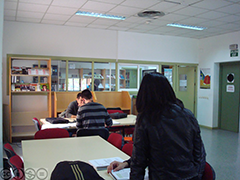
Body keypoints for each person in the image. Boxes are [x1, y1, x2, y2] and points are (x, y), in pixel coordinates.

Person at [107, 72, 206, 180]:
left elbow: (139, 162)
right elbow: (200, 154)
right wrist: (126, 163)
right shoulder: (188, 115)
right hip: (191, 176)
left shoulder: (146, 119)